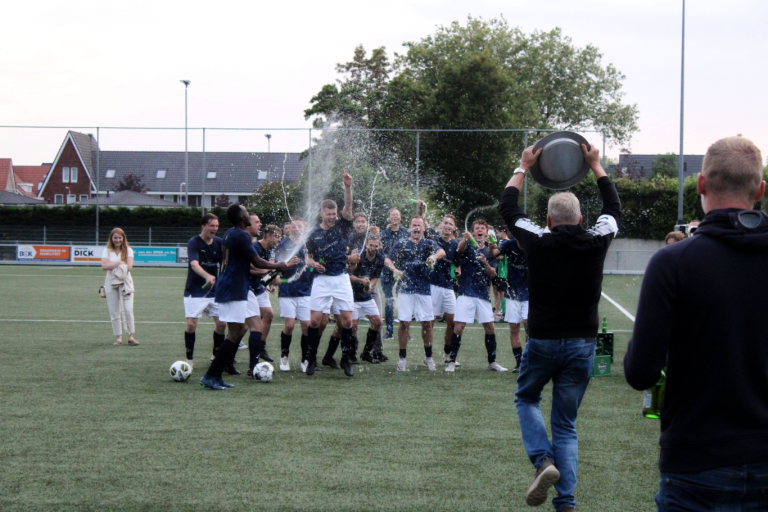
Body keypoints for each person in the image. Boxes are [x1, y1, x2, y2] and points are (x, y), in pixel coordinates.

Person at [624, 136, 768, 510]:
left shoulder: (673, 262)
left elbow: (641, 372)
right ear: (761, 190)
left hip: (696, 461)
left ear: (701, 185)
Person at [499, 143, 620, 511]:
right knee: (565, 425)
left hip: (544, 343)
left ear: (548, 221)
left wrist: (522, 166)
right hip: (583, 344)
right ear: (582, 220)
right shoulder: (597, 241)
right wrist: (597, 166)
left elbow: (509, 208)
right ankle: (565, 502)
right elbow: (613, 209)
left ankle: (542, 461)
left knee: (526, 397)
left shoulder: (538, 241)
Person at [199, 204, 295, 390]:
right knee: (235, 333)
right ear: (242, 217)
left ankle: (216, 375)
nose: (247, 212)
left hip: (232, 287)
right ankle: (211, 375)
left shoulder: (231, 233)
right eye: (245, 211)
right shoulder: (241, 234)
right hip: (233, 288)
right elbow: (256, 261)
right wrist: (279, 266)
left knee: (238, 331)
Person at [304, 169, 357, 377]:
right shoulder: (313, 233)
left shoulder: (342, 226)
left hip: (342, 279)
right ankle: (311, 358)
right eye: (329, 215)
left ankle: (345, 359)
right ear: (321, 214)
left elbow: (349, 206)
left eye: (334, 214)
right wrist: (312, 263)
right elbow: (308, 257)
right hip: (321, 281)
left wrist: (347, 186)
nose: (332, 218)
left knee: (347, 322)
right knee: (315, 322)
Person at [446, 219, 507, 373]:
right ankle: (451, 361)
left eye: (482, 229)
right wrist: (465, 239)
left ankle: (492, 362)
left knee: (490, 328)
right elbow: (458, 251)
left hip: (482, 294)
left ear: (486, 233)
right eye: (477, 229)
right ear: (473, 232)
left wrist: (486, 263)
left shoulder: (490, 250)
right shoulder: (467, 246)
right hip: (466, 292)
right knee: (459, 326)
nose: (480, 231)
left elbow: (492, 274)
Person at [385, 216, 445, 371]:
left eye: (420, 225)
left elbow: (442, 252)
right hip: (406, 289)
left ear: (424, 228)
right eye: (414, 225)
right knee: (404, 323)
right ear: (410, 227)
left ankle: (429, 357)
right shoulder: (402, 243)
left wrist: (433, 256)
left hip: (424, 289)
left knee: (427, 324)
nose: (417, 228)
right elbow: (387, 260)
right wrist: (395, 270)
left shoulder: (428, 243)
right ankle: (402, 359)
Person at [183, 213, 226, 371]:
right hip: (195, 290)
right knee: (191, 324)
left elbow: (225, 264)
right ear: (203, 226)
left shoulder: (220, 243)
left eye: (216, 226)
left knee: (222, 323)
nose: (215, 229)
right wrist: (207, 275)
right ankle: (189, 359)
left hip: (214, 291)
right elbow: (194, 264)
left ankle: (216, 356)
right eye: (212, 226)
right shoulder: (193, 242)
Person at [240, 220, 282, 377]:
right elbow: (254, 268)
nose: (279, 240)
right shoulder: (255, 247)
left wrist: (269, 282)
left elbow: (266, 269)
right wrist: (270, 274)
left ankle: (261, 347)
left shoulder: (270, 250)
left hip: (259, 287)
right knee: (246, 325)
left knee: (269, 314)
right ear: (270, 236)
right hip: (248, 288)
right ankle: (231, 354)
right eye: (277, 237)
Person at [274, 218, 311, 372]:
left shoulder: (308, 244)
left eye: (299, 226)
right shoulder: (282, 245)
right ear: (288, 228)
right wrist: (287, 265)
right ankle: (284, 357)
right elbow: (276, 267)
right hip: (287, 291)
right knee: (289, 325)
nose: (296, 229)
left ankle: (305, 359)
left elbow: (317, 261)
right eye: (293, 226)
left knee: (306, 327)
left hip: (305, 290)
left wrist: (316, 265)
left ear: (304, 228)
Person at [490, 237, 528, 373]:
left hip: (530, 294)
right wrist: (491, 247)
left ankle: (529, 360)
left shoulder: (533, 244)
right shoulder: (508, 244)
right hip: (512, 293)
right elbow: (493, 253)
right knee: (514, 328)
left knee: (529, 325)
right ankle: (519, 362)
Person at [350, 233, 386, 364]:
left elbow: (375, 277)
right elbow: (348, 276)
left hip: (366, 295)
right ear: (366, 245)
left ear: (379, 246)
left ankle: (366, 352)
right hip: (353, 295)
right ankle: (351, 354)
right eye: (371, 245)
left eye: (376, 246)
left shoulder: (380, 258)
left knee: (378, 322)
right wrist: (361, 281)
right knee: (353, 326)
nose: (373, 248)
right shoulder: (359, 256)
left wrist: (370, 284)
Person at [429, 214, 459, 365]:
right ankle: (429, 355)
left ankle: (447, 354)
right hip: (433, 285)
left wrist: (459, 270)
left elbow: (459, 261)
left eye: (450, 224)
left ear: (454, 228)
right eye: (445, 223)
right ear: (440, 226)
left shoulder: (455, 244)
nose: (447, 225)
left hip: (448, 286)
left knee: (452, 322)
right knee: (430, 322)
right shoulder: (433, 240)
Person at [101, 227, 139, 346]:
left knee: (128, 309)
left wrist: (111, 265)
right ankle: (118, 337)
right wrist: (118, 263)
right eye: (115, 238)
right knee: (114, 311)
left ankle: (130, 336)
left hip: (125, 282)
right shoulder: (107, 250)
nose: (117, 240)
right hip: (110, 281)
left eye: (119, 237)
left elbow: (129, 267)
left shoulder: (128, 250)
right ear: (111, 238)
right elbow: (104, 266)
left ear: (123, 238)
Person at [379, 208, 410, 340]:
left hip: (403, 272)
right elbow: (381, 254)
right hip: (387, 272)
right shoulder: (383, 234)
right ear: (389, 218)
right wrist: (391, 268)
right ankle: (389, 331)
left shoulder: (406, 233)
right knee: (389, 301)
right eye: (393, 215)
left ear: (400, 218)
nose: (395, 217)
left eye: (397, 215)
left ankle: (406, 331)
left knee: (404, 301)